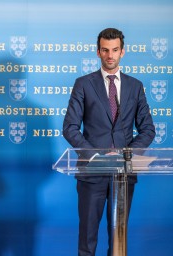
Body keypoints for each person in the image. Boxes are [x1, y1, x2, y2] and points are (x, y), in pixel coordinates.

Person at [63, 28, 155, 256]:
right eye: (105, 50)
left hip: (124, 174)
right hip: (92, 172)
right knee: (87, 239)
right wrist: (96, 156)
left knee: (118, 241)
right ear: (98, 52)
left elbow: (148, 129)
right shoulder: (83, 84)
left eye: (114, 50)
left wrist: (126, 155)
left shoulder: (135, 86)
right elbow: (70, 128)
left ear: (123, 51)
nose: (110, 55)